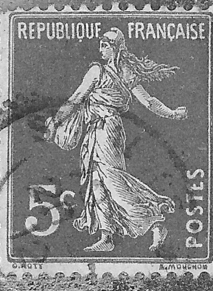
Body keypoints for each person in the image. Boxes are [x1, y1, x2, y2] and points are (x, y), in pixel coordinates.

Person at [46, 29, 187, 253]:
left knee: (112, 180)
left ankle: (154, 221)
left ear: (116, 47)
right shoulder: (122, 71)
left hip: (106, 130)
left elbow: (76, 99)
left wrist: (55, 121)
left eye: (105, 44)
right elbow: (148, 101)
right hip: (99, 130)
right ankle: (106, 236)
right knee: (97, 181)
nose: (101, 49)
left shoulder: (99, 71)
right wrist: (171, 113)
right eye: (100, 44)